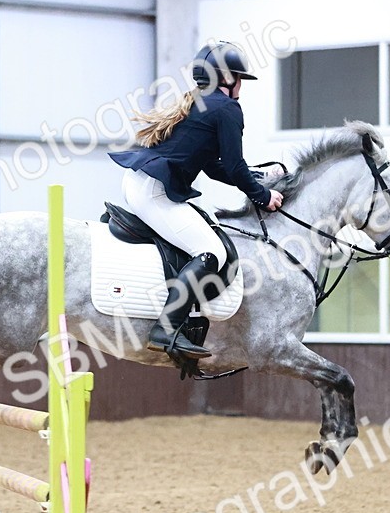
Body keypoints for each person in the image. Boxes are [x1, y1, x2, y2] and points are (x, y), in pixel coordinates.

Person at [108, 41, 283, 360]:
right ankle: (166, 328)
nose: (242, 86)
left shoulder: (200, 102)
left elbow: (215, 168)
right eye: (239, 78)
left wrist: (254, 180)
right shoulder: (228, 109)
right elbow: (233, 166)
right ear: (227, 79)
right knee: (211, 251)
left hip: (141, 181)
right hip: (153, 189)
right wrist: (262, 195)